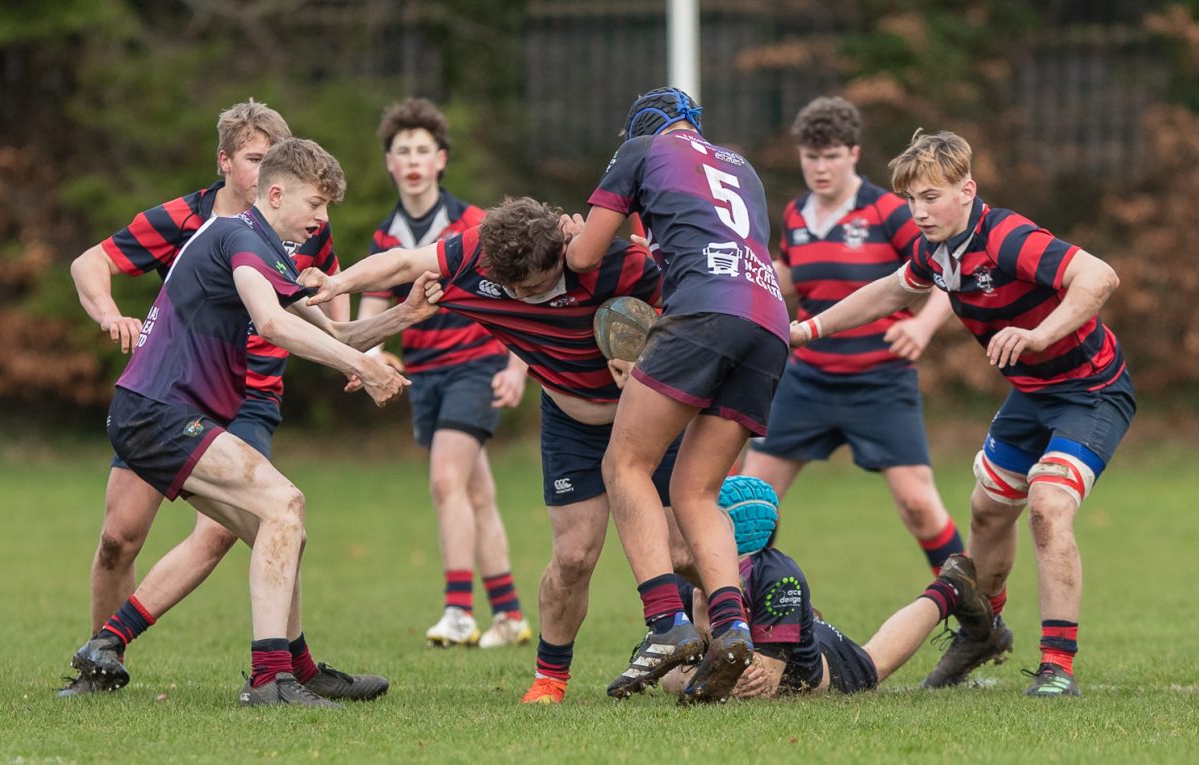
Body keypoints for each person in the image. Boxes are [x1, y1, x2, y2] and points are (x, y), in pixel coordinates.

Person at [81, 137, 434, 707]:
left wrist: (405, 314)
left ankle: (109, 643)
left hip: (156, 412)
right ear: (275, 193)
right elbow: (270, 323)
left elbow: (336, 333)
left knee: (278, 531)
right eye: (316, 205)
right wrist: (362, 371)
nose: (321, 220)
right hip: (160, 411)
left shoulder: (262, 248)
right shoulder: (239, 237)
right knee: (283, 505)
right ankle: (272, 679)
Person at [788, 130, 1135, 697]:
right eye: (911, 201)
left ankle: (1056, 667)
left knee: (1047, 507)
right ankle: (983, 629)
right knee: (986, 514)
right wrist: (807, 329)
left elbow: (1100, 276)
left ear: (967, 191)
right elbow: (889, 292)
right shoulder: (935, 251)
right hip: (1032, 393)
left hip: (1091, 389)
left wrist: (1037, 333)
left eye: (931, 197)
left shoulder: (1006, 237)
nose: (919, 212)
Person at [303, 196, 684, 705]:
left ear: (564, 250)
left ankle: (751, 623)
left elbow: (693, 310)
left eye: (538, 284)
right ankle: (550, 679)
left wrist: (651, 357)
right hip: (572, 422)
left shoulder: (613, 262)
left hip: (647, 416)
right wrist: (338, 283)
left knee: (682, 552)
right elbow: (400, 262)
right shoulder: (474, 259)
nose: (527, 297)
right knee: (572, 557)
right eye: (515, 289)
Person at [60, 100, 354, 697]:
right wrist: (109, 312)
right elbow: (91, 262)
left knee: (260, 519)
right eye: (253, 158)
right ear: (226, 163)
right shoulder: (192, 220)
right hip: (171, 391)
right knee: (120, 537)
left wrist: (365, 349)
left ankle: (288, 671)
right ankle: (102, 661)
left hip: (248, 399)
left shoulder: (301, 225)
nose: (265, 169)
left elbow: (329, 313)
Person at [563, 87, 791, 704]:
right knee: (696, 490)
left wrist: (570, 237)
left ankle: (666, 621)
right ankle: (733, 627)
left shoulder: (641, 149)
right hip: (770, 323)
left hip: (705, 315)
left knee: (625, 463)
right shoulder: (741, 166)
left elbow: (585, 255)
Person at [742, 97, 964, 577]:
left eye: (832, 156)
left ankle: (978, 613)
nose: (821, 168)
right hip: (807, 379)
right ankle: (749, 615)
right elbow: (788, 278)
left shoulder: (889, 211)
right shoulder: (798, 214)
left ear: (854, 154)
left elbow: (949, 273)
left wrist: (923, 326)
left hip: (880, 380)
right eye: (811, 156)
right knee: (752, 508)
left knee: (919, 507)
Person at [358, 98, 531, 648]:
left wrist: (517, 367)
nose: (412, 160)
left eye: (422, 150)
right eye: (401, 151)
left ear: (441, 161)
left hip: (474, 367)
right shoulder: (386, 237)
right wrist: (370, 356)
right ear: (389, 163)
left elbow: (524, 293)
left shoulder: (474, 223)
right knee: (476, 493)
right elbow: (372, 311)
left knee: (444, 481)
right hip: (425, 376)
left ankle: (458, 610)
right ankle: (509, 615)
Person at [661, 477, 996, 701]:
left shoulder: (777, 576)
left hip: (823, 665)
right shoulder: (684, 577)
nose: (688, 526)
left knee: (873, 663)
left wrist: (698, 670)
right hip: (772, 628)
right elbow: (669, 676)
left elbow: (761, 684)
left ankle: (949, 589)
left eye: (702, 517)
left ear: (733, 529)